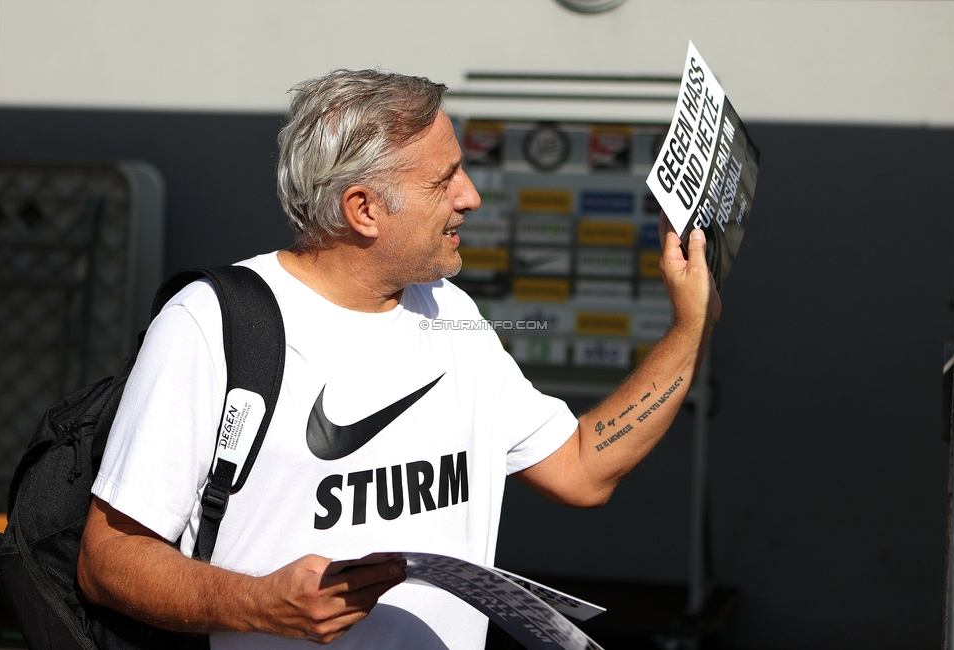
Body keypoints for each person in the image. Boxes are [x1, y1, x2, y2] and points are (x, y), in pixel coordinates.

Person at [77, 69, 721, 650]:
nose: (470, 197)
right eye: (444, 180)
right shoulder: (211, 322)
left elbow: (583, 468)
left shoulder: (451, 312)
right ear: (363, 210)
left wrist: (688, 327)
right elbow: (110, 561)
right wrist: (257, 605)